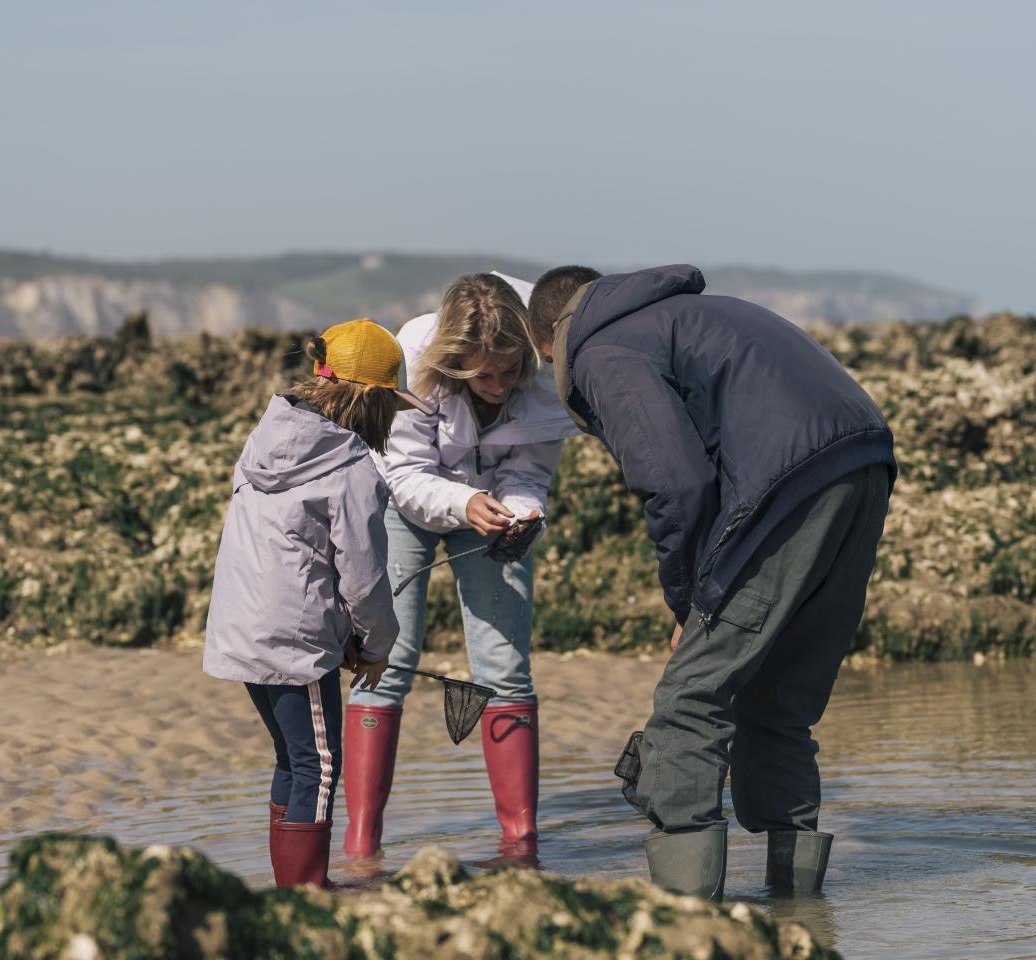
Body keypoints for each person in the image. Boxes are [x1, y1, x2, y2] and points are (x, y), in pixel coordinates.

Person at [528, 264, 897, 900]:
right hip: (863, 463)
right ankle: (800, 911)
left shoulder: (601, 350)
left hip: (787, 485)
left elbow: (674, 483)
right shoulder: (684, 315)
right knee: (777, 701)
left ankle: (687, 917)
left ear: (548, 339)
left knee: (691, 701)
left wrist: (690, 605)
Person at [342, 272, 580, 862]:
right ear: (453, 363)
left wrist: (524, 511)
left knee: (506, 669)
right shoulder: (415, 361)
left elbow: (530, 471)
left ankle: (520, 845)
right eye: (482, 376)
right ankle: (361, 844)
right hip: (406, 504)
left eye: (508, 372)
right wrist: (460, 502)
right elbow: (402, 473)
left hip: (497, 513)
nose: (498, 386)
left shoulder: (547, 377)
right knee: (385, 661)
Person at [201, 318, 426, 888]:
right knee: (321, 768)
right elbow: (365, 578)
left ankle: (287, 896)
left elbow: (289, 554)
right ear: (373, 399)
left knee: (293, 760)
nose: (394, 420)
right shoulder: (351, 468)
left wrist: (342, 634)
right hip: (293, 644)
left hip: (242, 629)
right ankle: (307, 900)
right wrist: (376, 647)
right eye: (394, 408)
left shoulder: (265, 439)